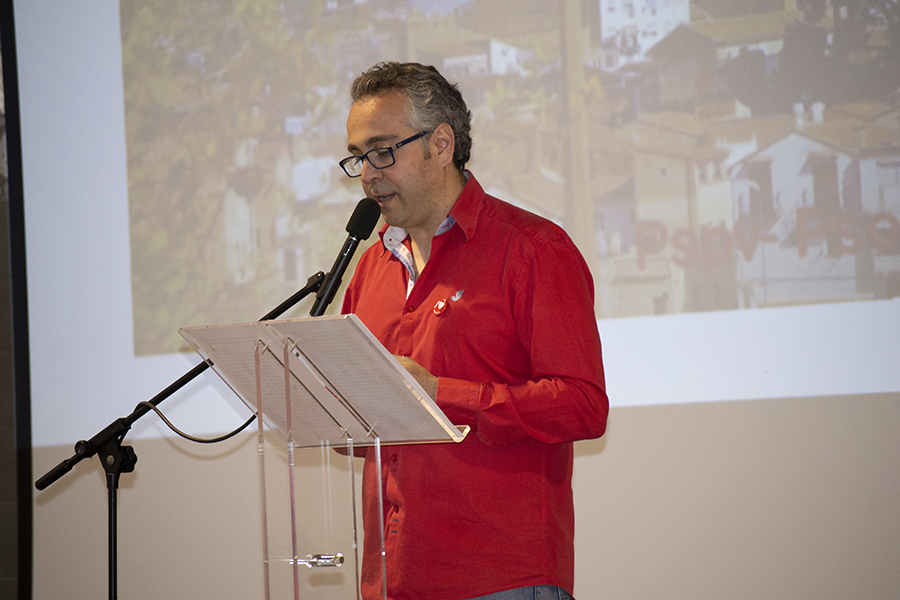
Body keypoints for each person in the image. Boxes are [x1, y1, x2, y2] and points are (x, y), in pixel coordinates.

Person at [339, 61, 608, 600]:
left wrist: (440, 395)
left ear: (441, 144)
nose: (368, 174)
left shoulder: (533, 249)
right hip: (393, 578)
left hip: (499, 577)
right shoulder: (370, 269)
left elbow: (582, 405)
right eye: (357, 157)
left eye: (382, 151)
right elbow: (354, 431)